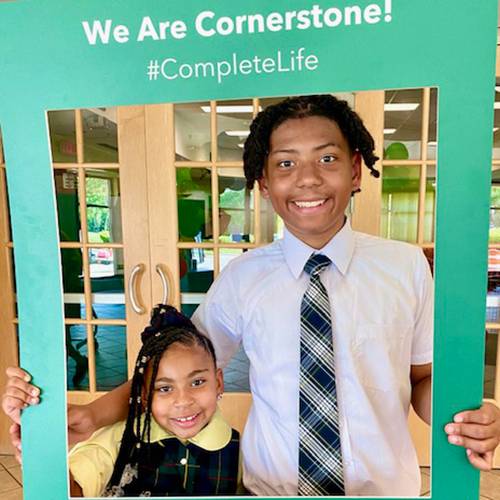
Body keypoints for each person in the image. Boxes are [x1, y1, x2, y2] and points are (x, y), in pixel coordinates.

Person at [3, 95, 500, 495]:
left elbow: (421, 378)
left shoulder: (405, 265)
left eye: (326, 159)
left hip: (385, 491)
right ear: (264, 183)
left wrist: (464, 416)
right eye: (286, 163)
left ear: (354, 170)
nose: (307, 178)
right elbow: (171, 370)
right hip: (270, 491)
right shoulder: (243, 278)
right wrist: (87, 417)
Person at [67, 304, 240, 497]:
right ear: (144, 395)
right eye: (165, 388)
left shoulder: (240, 450)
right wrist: (42, 449)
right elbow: (72, 491)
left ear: (218, 383)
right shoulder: (119, 439)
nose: (183, 401)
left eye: (197, 382)